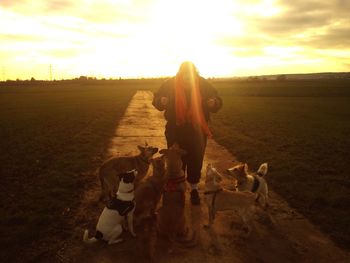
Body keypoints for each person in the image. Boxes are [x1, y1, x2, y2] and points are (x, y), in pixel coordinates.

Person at [152, 61, 222, 205]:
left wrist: (213, 102)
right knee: (175, 160)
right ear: (180, 74)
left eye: (189, 76)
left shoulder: (203, 84)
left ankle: (194, 189)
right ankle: (177, 189)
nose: (186, 79)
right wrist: (161, 101)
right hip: (175, 129)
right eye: (184, 75)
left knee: (196, 160)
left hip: (197, 130)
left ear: (194, 74)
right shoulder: (170, 84)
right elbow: (156, 100)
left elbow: (217, 100)